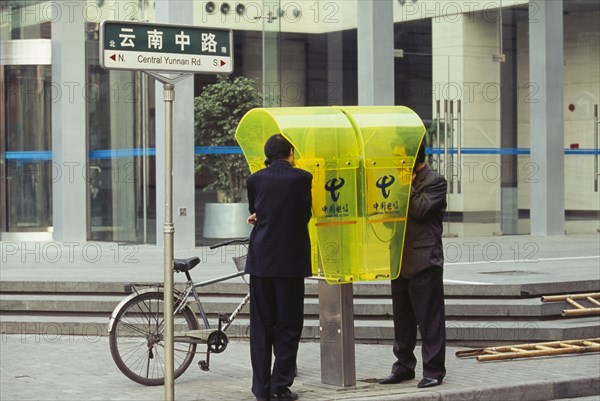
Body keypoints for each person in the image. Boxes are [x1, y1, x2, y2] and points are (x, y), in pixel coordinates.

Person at [244, 134, 313, 401]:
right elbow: (304, 214)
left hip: (261, 262)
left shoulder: (254, 180)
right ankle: (280, 386)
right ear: (291, 153)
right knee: (289, 325)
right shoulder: (303, 178)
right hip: (290, 264)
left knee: (261, 326)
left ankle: (261, 388)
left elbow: (257, 212)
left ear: (268, 155)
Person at [378, 141, 448, 389]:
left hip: (424, 260)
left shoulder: (435, 181)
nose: (396, 162)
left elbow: (420, 210)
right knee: (403, 320)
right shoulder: (398, 182)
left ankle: (434, 370)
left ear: (413, 158)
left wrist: (405, 184)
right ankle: (404, 366)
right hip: (399, 259)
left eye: (399, 157)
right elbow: (389, 219)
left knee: (429, 320)